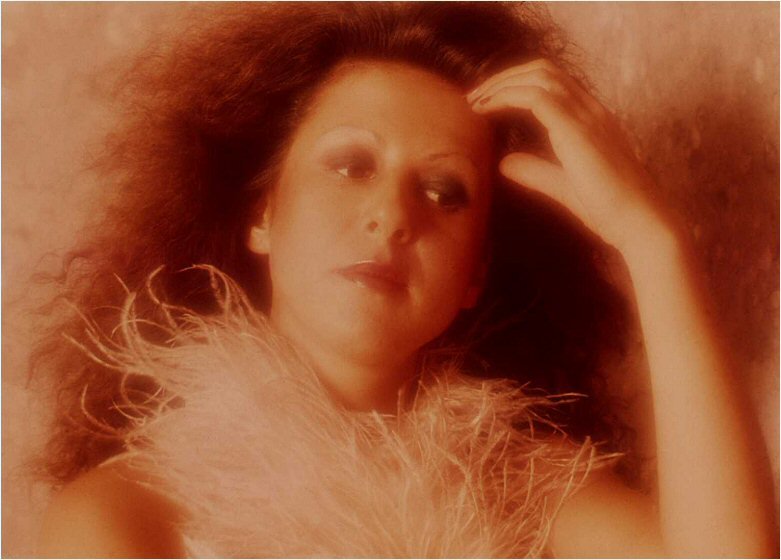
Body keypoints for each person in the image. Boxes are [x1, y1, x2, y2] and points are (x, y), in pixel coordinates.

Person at [32, 3, 775, 558]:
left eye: (444, 191)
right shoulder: (123, 516)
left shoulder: (530, 490)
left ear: (476, 272)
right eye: (350, 165)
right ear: (263, 214)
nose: (391, 216)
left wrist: (653, 243)